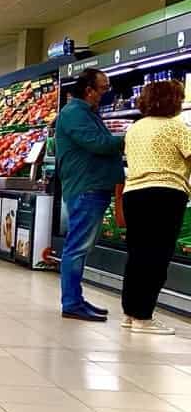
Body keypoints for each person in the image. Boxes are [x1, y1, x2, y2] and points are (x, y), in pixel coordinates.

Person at [119, 80, 191, 334]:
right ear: (173, 101)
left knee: (138, 254)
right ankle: (144, 317)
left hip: (134, 194)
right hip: (165, 194)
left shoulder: (135, 128)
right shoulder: (176, 126)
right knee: (157, 256)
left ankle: (130, 313)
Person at [56, 67, 124, 322]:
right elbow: (97, 143)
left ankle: (76, 298)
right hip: (86, 188)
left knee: (80, 248)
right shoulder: (75, 113)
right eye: (104, 88)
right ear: (89, 90)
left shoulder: (87, 113)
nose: (107, 93)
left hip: (92, 187)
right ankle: (71, 302)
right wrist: (129, 139)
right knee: (77, 248)